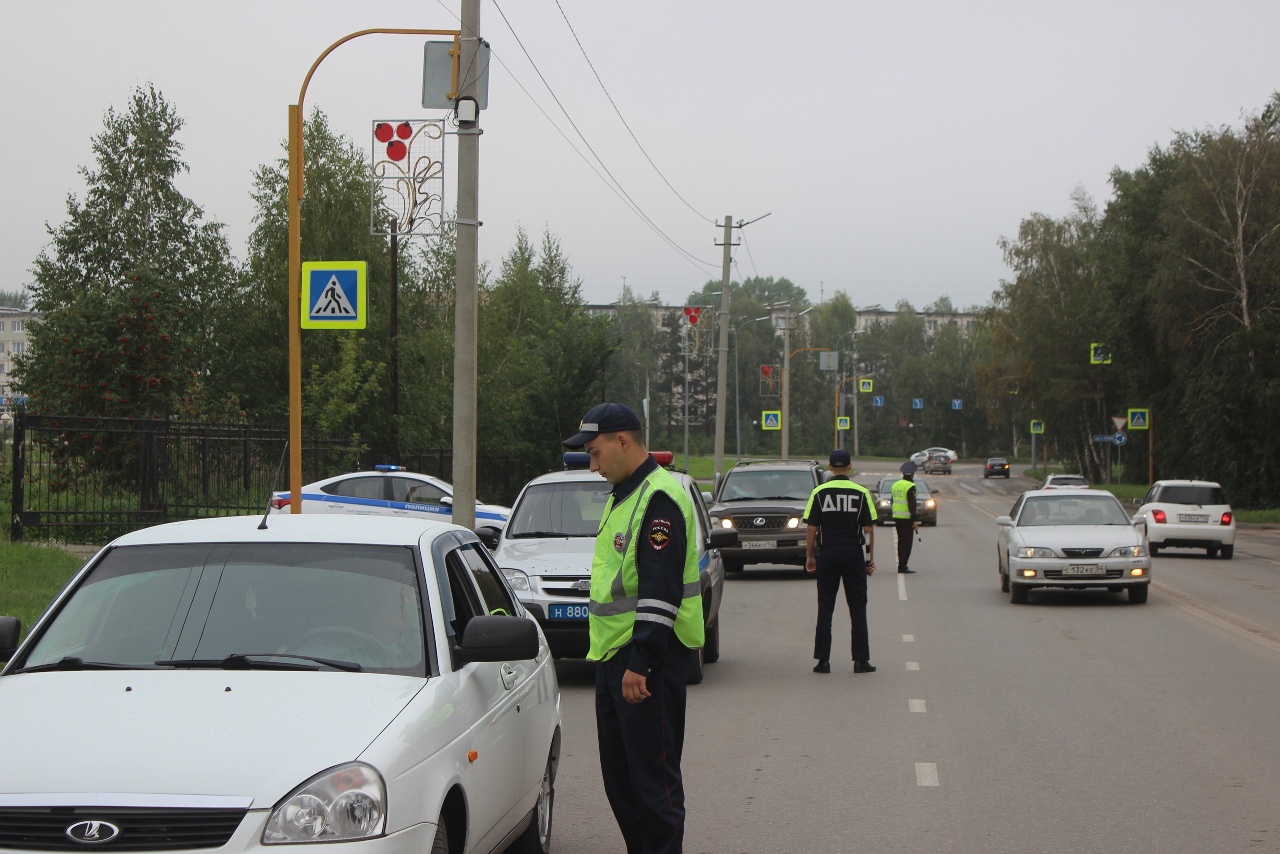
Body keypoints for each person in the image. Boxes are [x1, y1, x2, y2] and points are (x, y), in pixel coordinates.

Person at [563, 402, 703, 854]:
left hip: (646, 663)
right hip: (612, 657)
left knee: (652, 786)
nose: (592, 462)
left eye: (596, 451)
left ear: (623, 441)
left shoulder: (657, 498)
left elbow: (661, 590)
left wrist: (641, 661)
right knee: (621, 782)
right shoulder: (623, 494)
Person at [804, 448, 878, 675]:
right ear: (850, 467)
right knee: (857, 608)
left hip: (829, 554)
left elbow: (811, 527)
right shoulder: (861, 492)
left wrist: (810, 555)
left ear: (829, 467)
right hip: (853, 554)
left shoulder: (819, 492)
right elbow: (867, 530)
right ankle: (861, 661)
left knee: (825, 607)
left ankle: (823, 661)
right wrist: (869, 559)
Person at [892, 461, 922, 574]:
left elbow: (892, 500)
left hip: (896, 517)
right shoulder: (910, 486)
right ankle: (903, 566)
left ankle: (901, 564)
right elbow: (911, 504)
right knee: (906, 543)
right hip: (906, 518)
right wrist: (914, 519)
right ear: (913, 474)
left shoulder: (896, 485)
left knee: (901, 542)